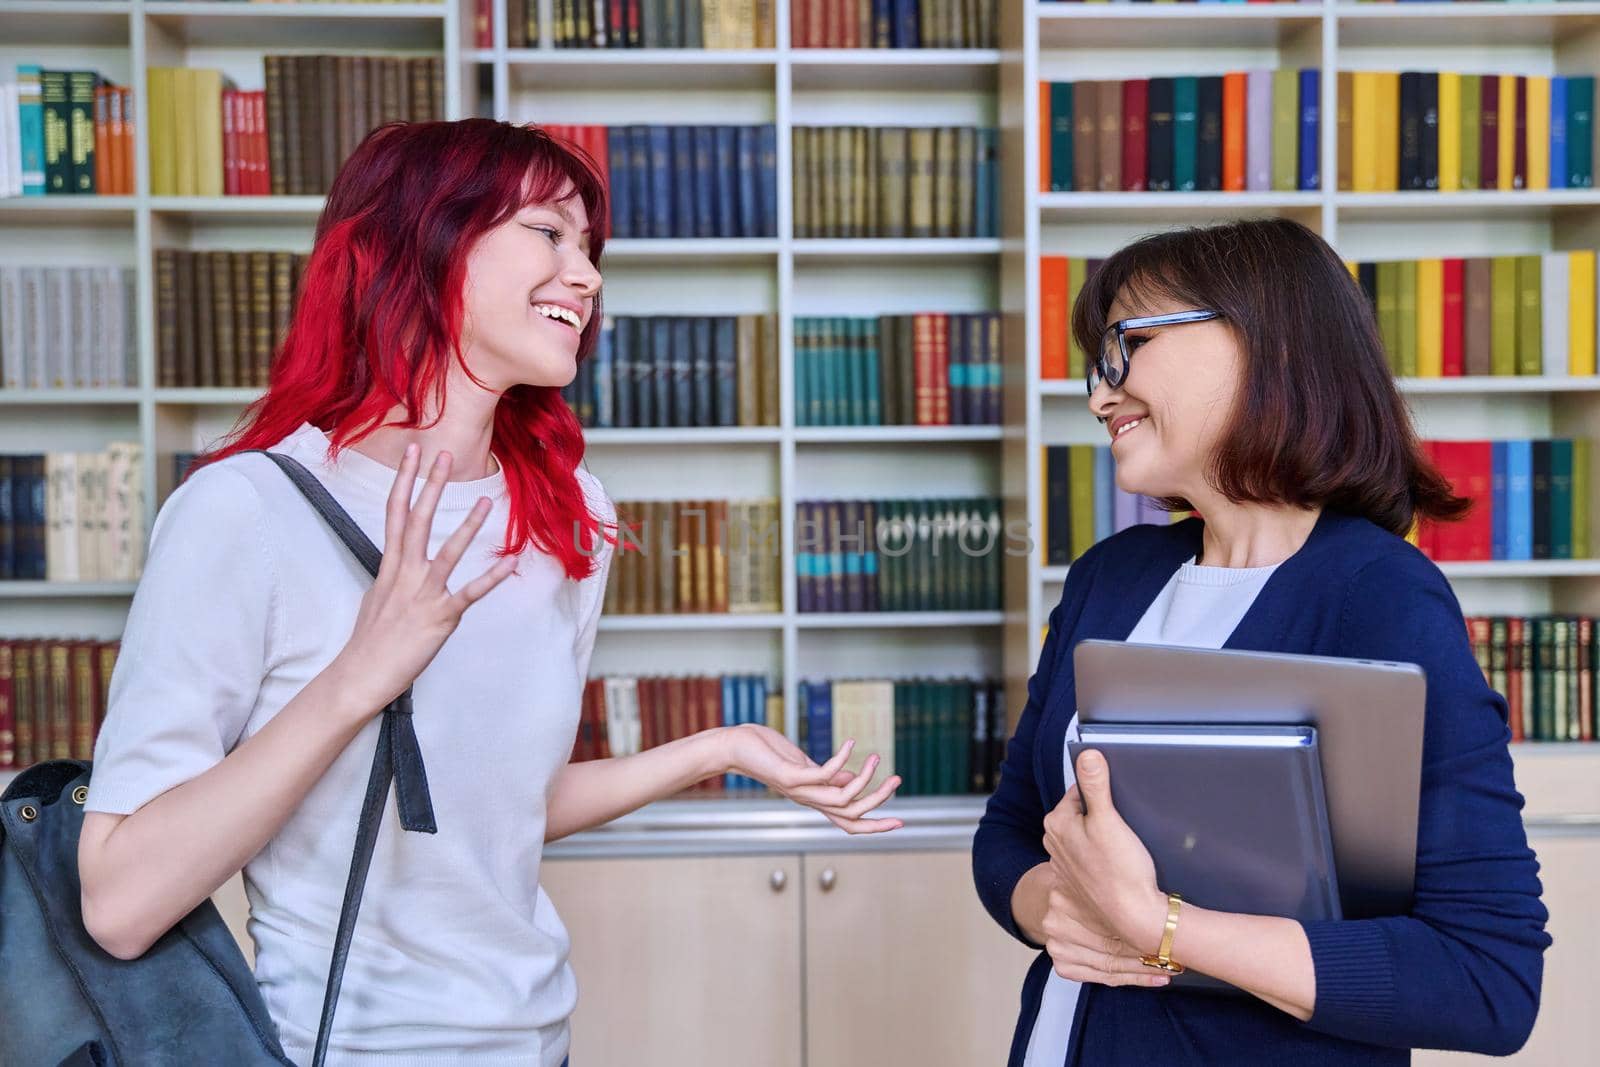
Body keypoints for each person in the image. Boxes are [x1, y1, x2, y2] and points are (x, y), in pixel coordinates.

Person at [76, 118, 901, 1066]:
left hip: (538, 1040)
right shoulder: (245, 511)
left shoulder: (565, 516)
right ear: (420, 241)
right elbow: (120, 902)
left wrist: (717, 748)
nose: (587, 277)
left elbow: (494, 804)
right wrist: (359, 676)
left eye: (588, 247)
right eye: (549, 233)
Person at [973, 217, 1550, 1065]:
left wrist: (1163, 928)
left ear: (1266, 344)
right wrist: (1048, 903)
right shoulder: (1111, 577)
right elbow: (1009, 831)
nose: (1100, 394)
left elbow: (1487, 976)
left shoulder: (1379, 594)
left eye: (1126, 344)